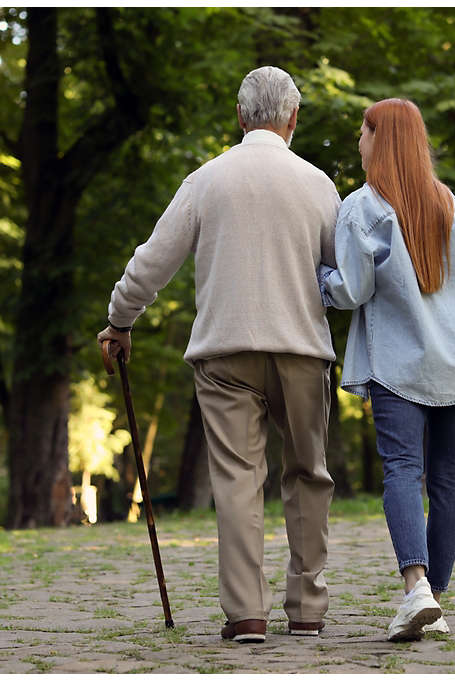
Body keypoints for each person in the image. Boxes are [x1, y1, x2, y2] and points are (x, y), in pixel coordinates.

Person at [98, 66, 340, 644]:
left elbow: (152, 261)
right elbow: (347, 274)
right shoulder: (319, 185)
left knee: (236, 480)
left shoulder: (205, 180)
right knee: (308, 474)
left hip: (226, 354)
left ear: (239, 116)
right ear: (292, 118)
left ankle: (246, 613)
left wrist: (119, 320)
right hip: (302, 351)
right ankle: (306, 609)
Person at [318, 98, 455, 641]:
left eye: (362, 132)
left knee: (403, 471)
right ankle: (433, 596)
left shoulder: (364, 207)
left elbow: (352, 290)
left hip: (401, 362)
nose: (357, 142)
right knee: (449, 480)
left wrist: (320, 277)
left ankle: (417, 588)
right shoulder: (447, 201)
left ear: (380, 139)